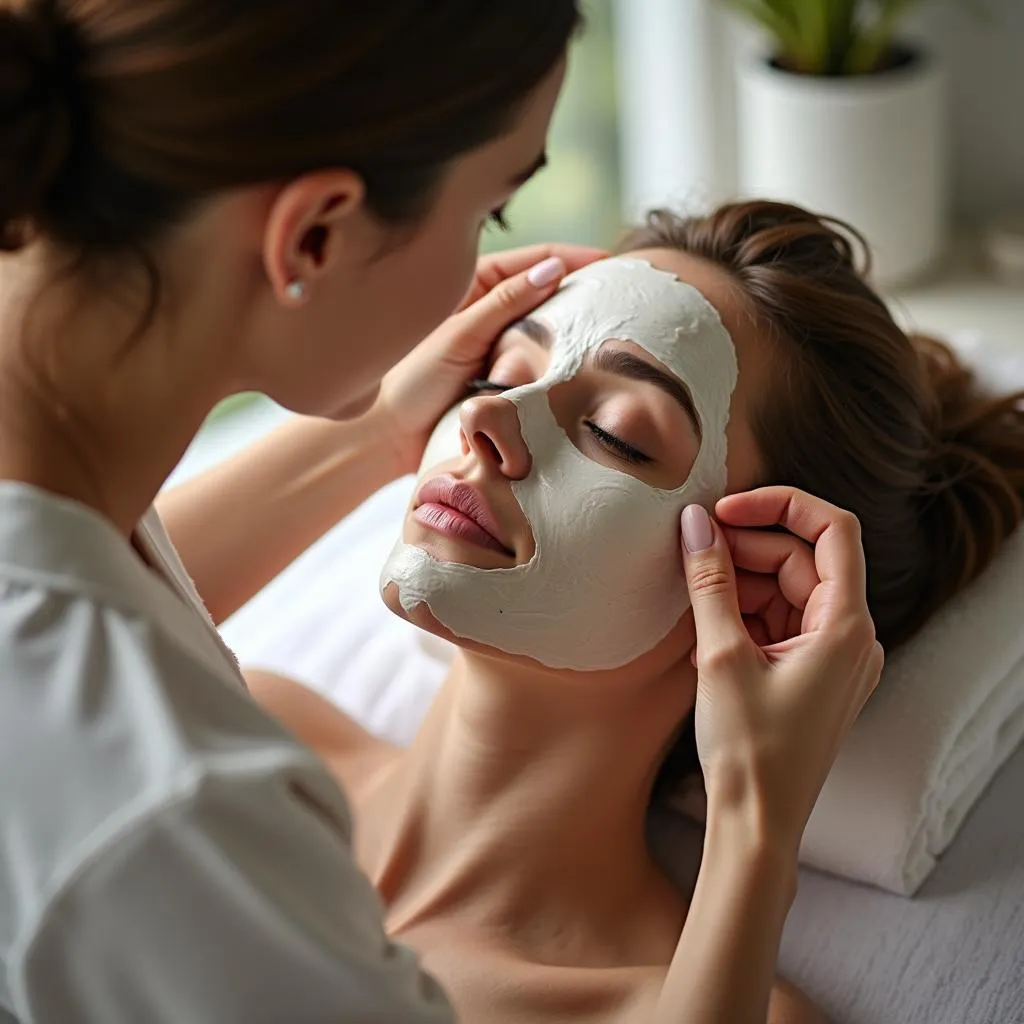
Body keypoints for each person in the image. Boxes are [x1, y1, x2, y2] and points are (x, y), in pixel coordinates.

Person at [248, 201, 1024, 1024]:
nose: (482, 418)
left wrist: (752, 829)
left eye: (616, 435)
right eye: (502, 374)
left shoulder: (702, 1006)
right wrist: (377, 431)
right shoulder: (251, 730)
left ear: (758, 596)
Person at [0, 3, 604, 1022]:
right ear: (315, 231)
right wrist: (755, 827)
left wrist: (379, 434)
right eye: (487, 214)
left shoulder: (62, 482)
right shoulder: (176, 817)